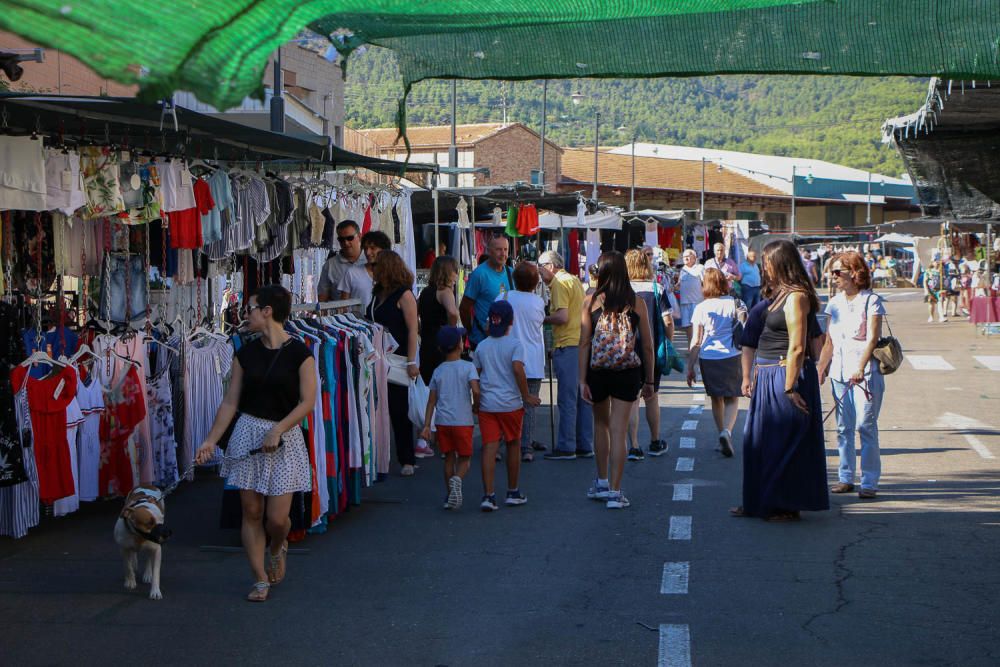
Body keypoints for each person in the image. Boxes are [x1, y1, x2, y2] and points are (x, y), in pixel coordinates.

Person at [195, 285, 315, 602]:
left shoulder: (300, 353)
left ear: (267, 311)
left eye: (250, 308)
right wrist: (210, 440)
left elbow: (308, 402)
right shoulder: (244, 353)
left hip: (284, 439)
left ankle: (278, 545)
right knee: (251, 510)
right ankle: (259, 578)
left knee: (277, 519)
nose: (244, 315)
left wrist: (279, 429)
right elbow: (229, 403)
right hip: (247, 434)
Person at [733, 240, 828, 521]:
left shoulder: (797, 296)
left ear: (781, 263)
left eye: (768, 262)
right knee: (758, 442)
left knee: (783, 442)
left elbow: (798, 345)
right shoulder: (779, 295)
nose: (764, 267)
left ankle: (784, 504)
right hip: (768, 375)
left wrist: (789, 387)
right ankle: (759, 502)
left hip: (784, 374)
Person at [580, 251, 655, 509]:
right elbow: (647, 346)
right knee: (619, 430)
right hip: (627, 372)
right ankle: (615, 491)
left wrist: (582, 380)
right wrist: (650, 381)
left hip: (598, 371)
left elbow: (584, 343)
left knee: (600, 426)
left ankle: (601, 482)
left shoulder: (590, 301)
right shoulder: (636, 303)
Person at [818, 252, 885, 499]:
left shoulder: (872, 301)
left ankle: (869, 481)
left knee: (865, 426)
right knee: (843, 428)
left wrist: (861, 366)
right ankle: (845, 477)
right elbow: (829, 341)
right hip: (839, 371)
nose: (833, 277)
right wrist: (820, 369)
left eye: (838, 271)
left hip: (865, 374)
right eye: (832, 272)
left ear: (854, 273)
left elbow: (873, 338)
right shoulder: (834, 303)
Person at [473, 301, 540, 511]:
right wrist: (526, 394)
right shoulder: (514, 345)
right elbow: (518, 369)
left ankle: (488, 495)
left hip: (487, 404)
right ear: (511, 321)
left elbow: (476, 376)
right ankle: (513, 491)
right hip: (510, 403)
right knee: (513, 444)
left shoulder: (482, 346)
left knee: (489, 447)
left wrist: (476, 402)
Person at [365, 251, 421, 475]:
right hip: (377, 357)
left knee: (399, 408)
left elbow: (412, 330)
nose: (372, 270)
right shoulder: (377, 292)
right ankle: (381, 456)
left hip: (397, 358)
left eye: (376, 266)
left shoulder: (404, 294)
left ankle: (407, 458)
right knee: (377, 407)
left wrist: (411, 360)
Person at [538, 251, 593, 460]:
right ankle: (583, 443)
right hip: (578, 341)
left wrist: (541, 318)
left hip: (568, 343)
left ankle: (566, 446)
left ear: (550, 266)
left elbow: (562, 316)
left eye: (541, 267)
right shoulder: (574, 280)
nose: (540, 272)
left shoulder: (559, 284)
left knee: (567, 398)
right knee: (581, 396)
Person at [686, 268, 745, 457]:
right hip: (732, 355)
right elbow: (746, 330)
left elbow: (696, 340)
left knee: (715, 398)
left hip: (708, 357)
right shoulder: (736, 303)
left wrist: (690, 367)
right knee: (732, 397)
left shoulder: (701, 307)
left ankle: (721, 434)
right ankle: (726, 432)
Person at [420, 326, 480, 510]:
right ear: (460, 345)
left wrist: (426, 426)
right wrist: (476, 406)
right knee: (465, 459)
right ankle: (457, 479)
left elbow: (431, 401)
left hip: (442, 422)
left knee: (448, 459)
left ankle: (449, 496)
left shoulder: (438, 370)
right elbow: (476, 391)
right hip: (463, 420)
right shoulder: (468, 367)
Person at [624, 248, 673, 459]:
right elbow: (668, 321)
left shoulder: (623, 290)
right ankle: (655, 441)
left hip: (627, 350)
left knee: (632, 399)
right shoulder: (657, 288)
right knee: (652, 395)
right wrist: (668, 342)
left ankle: (634, 446)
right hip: (652, 348)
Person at [504, 262, 546, 462]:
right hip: (532, 359)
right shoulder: (538, 302)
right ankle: (526, 446)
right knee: (529, 404)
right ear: (535, 282)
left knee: (508, 402)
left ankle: (507, 441)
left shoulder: (503, 297)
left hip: (507, 357)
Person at [461, 236, 513, 349]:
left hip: (505, 340)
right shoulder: (479, 274)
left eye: (505, 249)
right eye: (498, 249)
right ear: (489, 251)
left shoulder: (511, 273)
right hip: (483, 340)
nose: (503, 253)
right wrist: (471, 331)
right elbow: (464, 308)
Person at [418, 255, 461, 385]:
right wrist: (452, 332)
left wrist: (420, 329)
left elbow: (415, 311)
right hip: (441, 343)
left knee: (429, 383)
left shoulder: (425, 291)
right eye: (455, 271)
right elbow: (453, 313)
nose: (456, 276)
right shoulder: (445, 292)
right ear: (449, 272)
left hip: (426, 342)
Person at [337, 230, 391, 309]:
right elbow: (342, 307)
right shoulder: (352, 272)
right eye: (365, 249)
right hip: (356, 321)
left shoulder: (392, 275)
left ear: (383, 250)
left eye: (373, 248)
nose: (368, 252)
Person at [317, 220, 365, 301]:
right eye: (341, 239)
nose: (346, 243)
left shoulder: (371, 261)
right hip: (342, 313)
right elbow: (322, 298)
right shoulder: (330, 265)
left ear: (359, 236)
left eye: (350, 238)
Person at [676, 249, 705, 342]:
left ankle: (699, 345)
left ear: (694, 258)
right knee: (687, 326)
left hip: (697, 302)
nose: (686, 258)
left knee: (697, 325)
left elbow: (705, 283)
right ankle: (690, 346)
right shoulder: (683, 269)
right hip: (685, 302)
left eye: (688, 256)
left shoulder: (700, 268)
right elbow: (679, 284)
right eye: (684, 256)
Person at [924, 258, 946, 323]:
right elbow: (925, 281)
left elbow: (945, 279)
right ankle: (931, 316)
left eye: (938, 262)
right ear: (932, 262)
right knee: (931, 304)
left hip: (939, 289)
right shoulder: (928, 271)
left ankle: (941, 317)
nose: (937, 263)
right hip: (931, 290)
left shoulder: (941, 270)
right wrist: (926, 291)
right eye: (936, 261)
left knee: (940, 301)